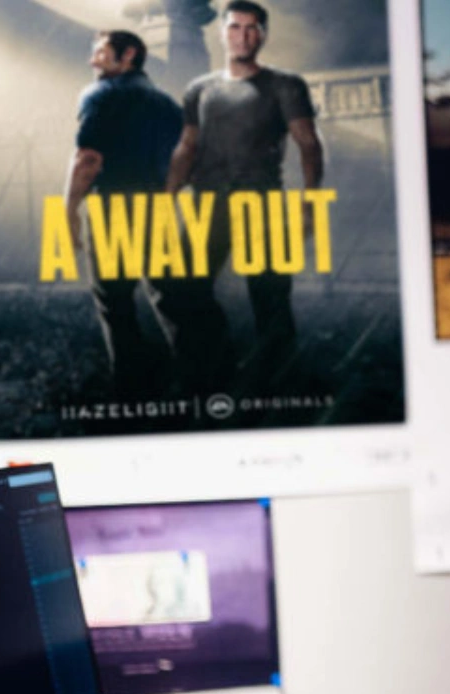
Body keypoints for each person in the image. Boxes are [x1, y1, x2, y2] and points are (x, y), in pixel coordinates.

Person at [165, 0, 321, 398]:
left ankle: (283, 387)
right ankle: (217, 369)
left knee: (270, 299)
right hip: (208, 205)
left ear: (263, 35)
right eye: (235, 27)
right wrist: (166, 198)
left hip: (260, 205)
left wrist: (309, 205)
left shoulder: (285, 85)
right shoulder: (199, 89)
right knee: (182, 288)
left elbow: (308, 143)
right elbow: (187, 146)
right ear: (221, 32)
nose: (243, 36)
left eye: (252, 28)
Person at [64, 30, 184, 400]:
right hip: (158, 207)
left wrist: (69, 209)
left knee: (115, 303)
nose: (92, 60)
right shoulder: (167, 104)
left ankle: (132, 390)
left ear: (128, 54)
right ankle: (199, 385)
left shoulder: (100, 94)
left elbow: (88, 159)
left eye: (100, 52)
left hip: (114, 207)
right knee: (171, 299)